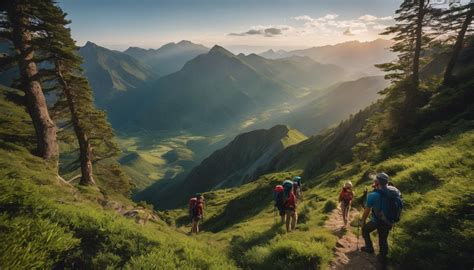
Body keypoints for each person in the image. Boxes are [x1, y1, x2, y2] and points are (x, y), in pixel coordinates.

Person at [360, 172, 393, 262]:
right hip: (388, 221)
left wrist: (363, 221)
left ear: (377, 183)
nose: (373, 180)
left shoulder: (373, 195)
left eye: (375, 179)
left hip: (377, 220)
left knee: (365, 230)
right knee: (383, 239)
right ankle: (383, 258)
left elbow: (367, 210)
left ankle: (369, 248)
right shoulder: (392, 191)